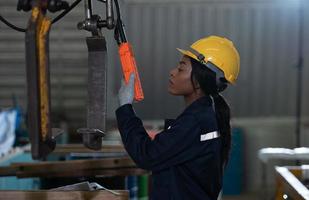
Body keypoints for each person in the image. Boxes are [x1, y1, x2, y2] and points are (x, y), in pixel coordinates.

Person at [116, 35, 240, 200]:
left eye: (181, 68)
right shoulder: (205, 114)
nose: (172, 72)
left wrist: (125, 107)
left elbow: (147, 155)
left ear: (200, 78)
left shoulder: (196, 121)